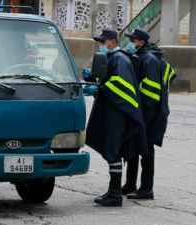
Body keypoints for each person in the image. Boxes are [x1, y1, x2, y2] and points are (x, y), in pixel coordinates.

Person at [82, 29, 148, 207]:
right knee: (112, 149)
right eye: (100, 42)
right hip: (112, 110)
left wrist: (98, 89)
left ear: (113, 41)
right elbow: (109, 80)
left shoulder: (120, 58)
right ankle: (114, 191)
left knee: (113, 149)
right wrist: (94, 78)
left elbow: (121, 86)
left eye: (103, 42)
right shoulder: (113, 57)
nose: (101, 45)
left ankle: (115, 194)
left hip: (116, 113)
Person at [122, 28, 177, 199]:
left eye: (132, 41)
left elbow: (150, 93)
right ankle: (130, 184)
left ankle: (146, 189)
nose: (130, 43)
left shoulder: (149, 59)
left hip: (148, 112)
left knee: (146, 150)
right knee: (133, 146)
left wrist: (140, 110)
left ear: (141, 43)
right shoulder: (147, 56)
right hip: (143, 111)